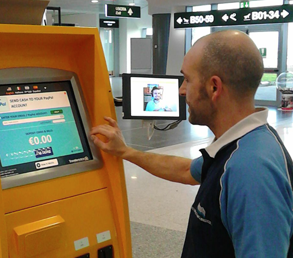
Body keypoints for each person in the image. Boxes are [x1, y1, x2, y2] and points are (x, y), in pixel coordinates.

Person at [90, 30, 293, 257]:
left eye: (187, 79)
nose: (181, 90)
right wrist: (125, 151)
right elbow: (187, 170)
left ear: (214, 87)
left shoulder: (250, 171)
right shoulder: (243, 144)